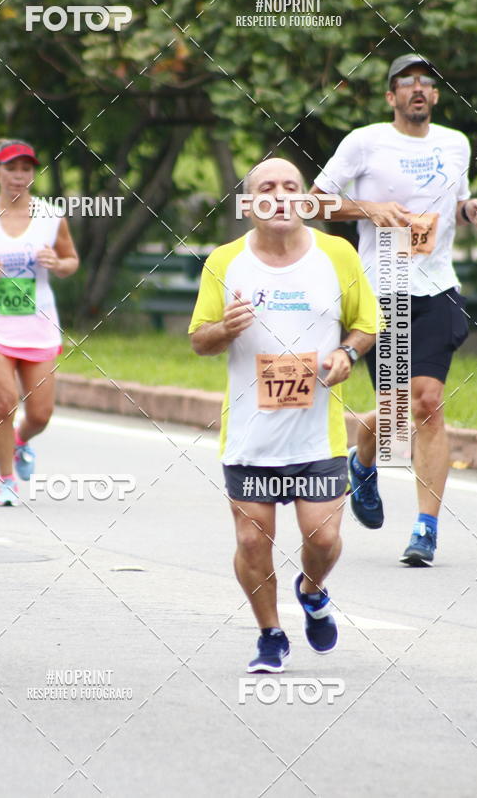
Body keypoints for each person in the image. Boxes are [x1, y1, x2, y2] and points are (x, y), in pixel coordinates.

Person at [189, 158, 379, 673]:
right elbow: (199, 339)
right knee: (252, 540)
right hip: (250, 436)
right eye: (267, 187)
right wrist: (224, 329)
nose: (279, 195)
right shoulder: (224, 262)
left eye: (291, 187)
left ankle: (312, 591)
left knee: (324, 538)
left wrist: (348, 353)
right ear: (249, 202)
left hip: (317, 436)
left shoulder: (336, 255)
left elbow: (366, 323)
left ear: (305, 199)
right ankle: (270, 634)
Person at [311, 54, 477, 566]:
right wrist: (369, 209)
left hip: (438, 288)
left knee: (427, 402)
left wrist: (469, 210)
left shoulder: (456, 143)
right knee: (393, 412)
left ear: (436, 95)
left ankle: (426, 529)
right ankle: (362, 463)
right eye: (406, 82)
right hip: (381, 290)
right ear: (391, 96)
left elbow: (453, 206)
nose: (417, 88)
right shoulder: (365, 142)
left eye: (426, 81)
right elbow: (313, 202)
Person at [0, 139, 79, 506]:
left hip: (38, 325)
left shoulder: (51, 216)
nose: (19, 176)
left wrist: (57, 264)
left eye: (26, 169)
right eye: (11, 168)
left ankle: (21, 440)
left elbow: (71, 261)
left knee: (40, 414)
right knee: (5, 402)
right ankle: (6, 480)